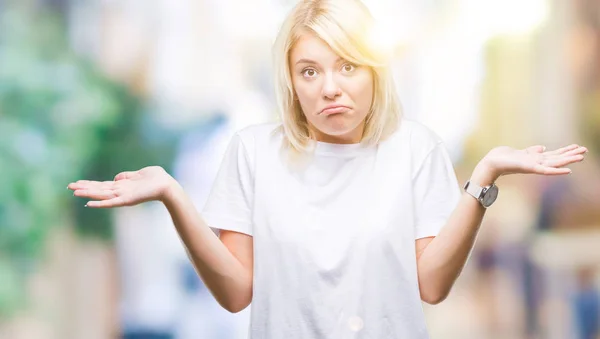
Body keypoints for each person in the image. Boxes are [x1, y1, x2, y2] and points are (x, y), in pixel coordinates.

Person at [67, 0, 588, 337]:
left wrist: (485, 178)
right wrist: (174, 197)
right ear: (291, 81)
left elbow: (431, 286)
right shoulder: (253, 152)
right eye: (309, 70)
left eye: (347, 66)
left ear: (374, 71)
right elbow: (234, 294)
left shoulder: (415, 150)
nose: (330, 88)